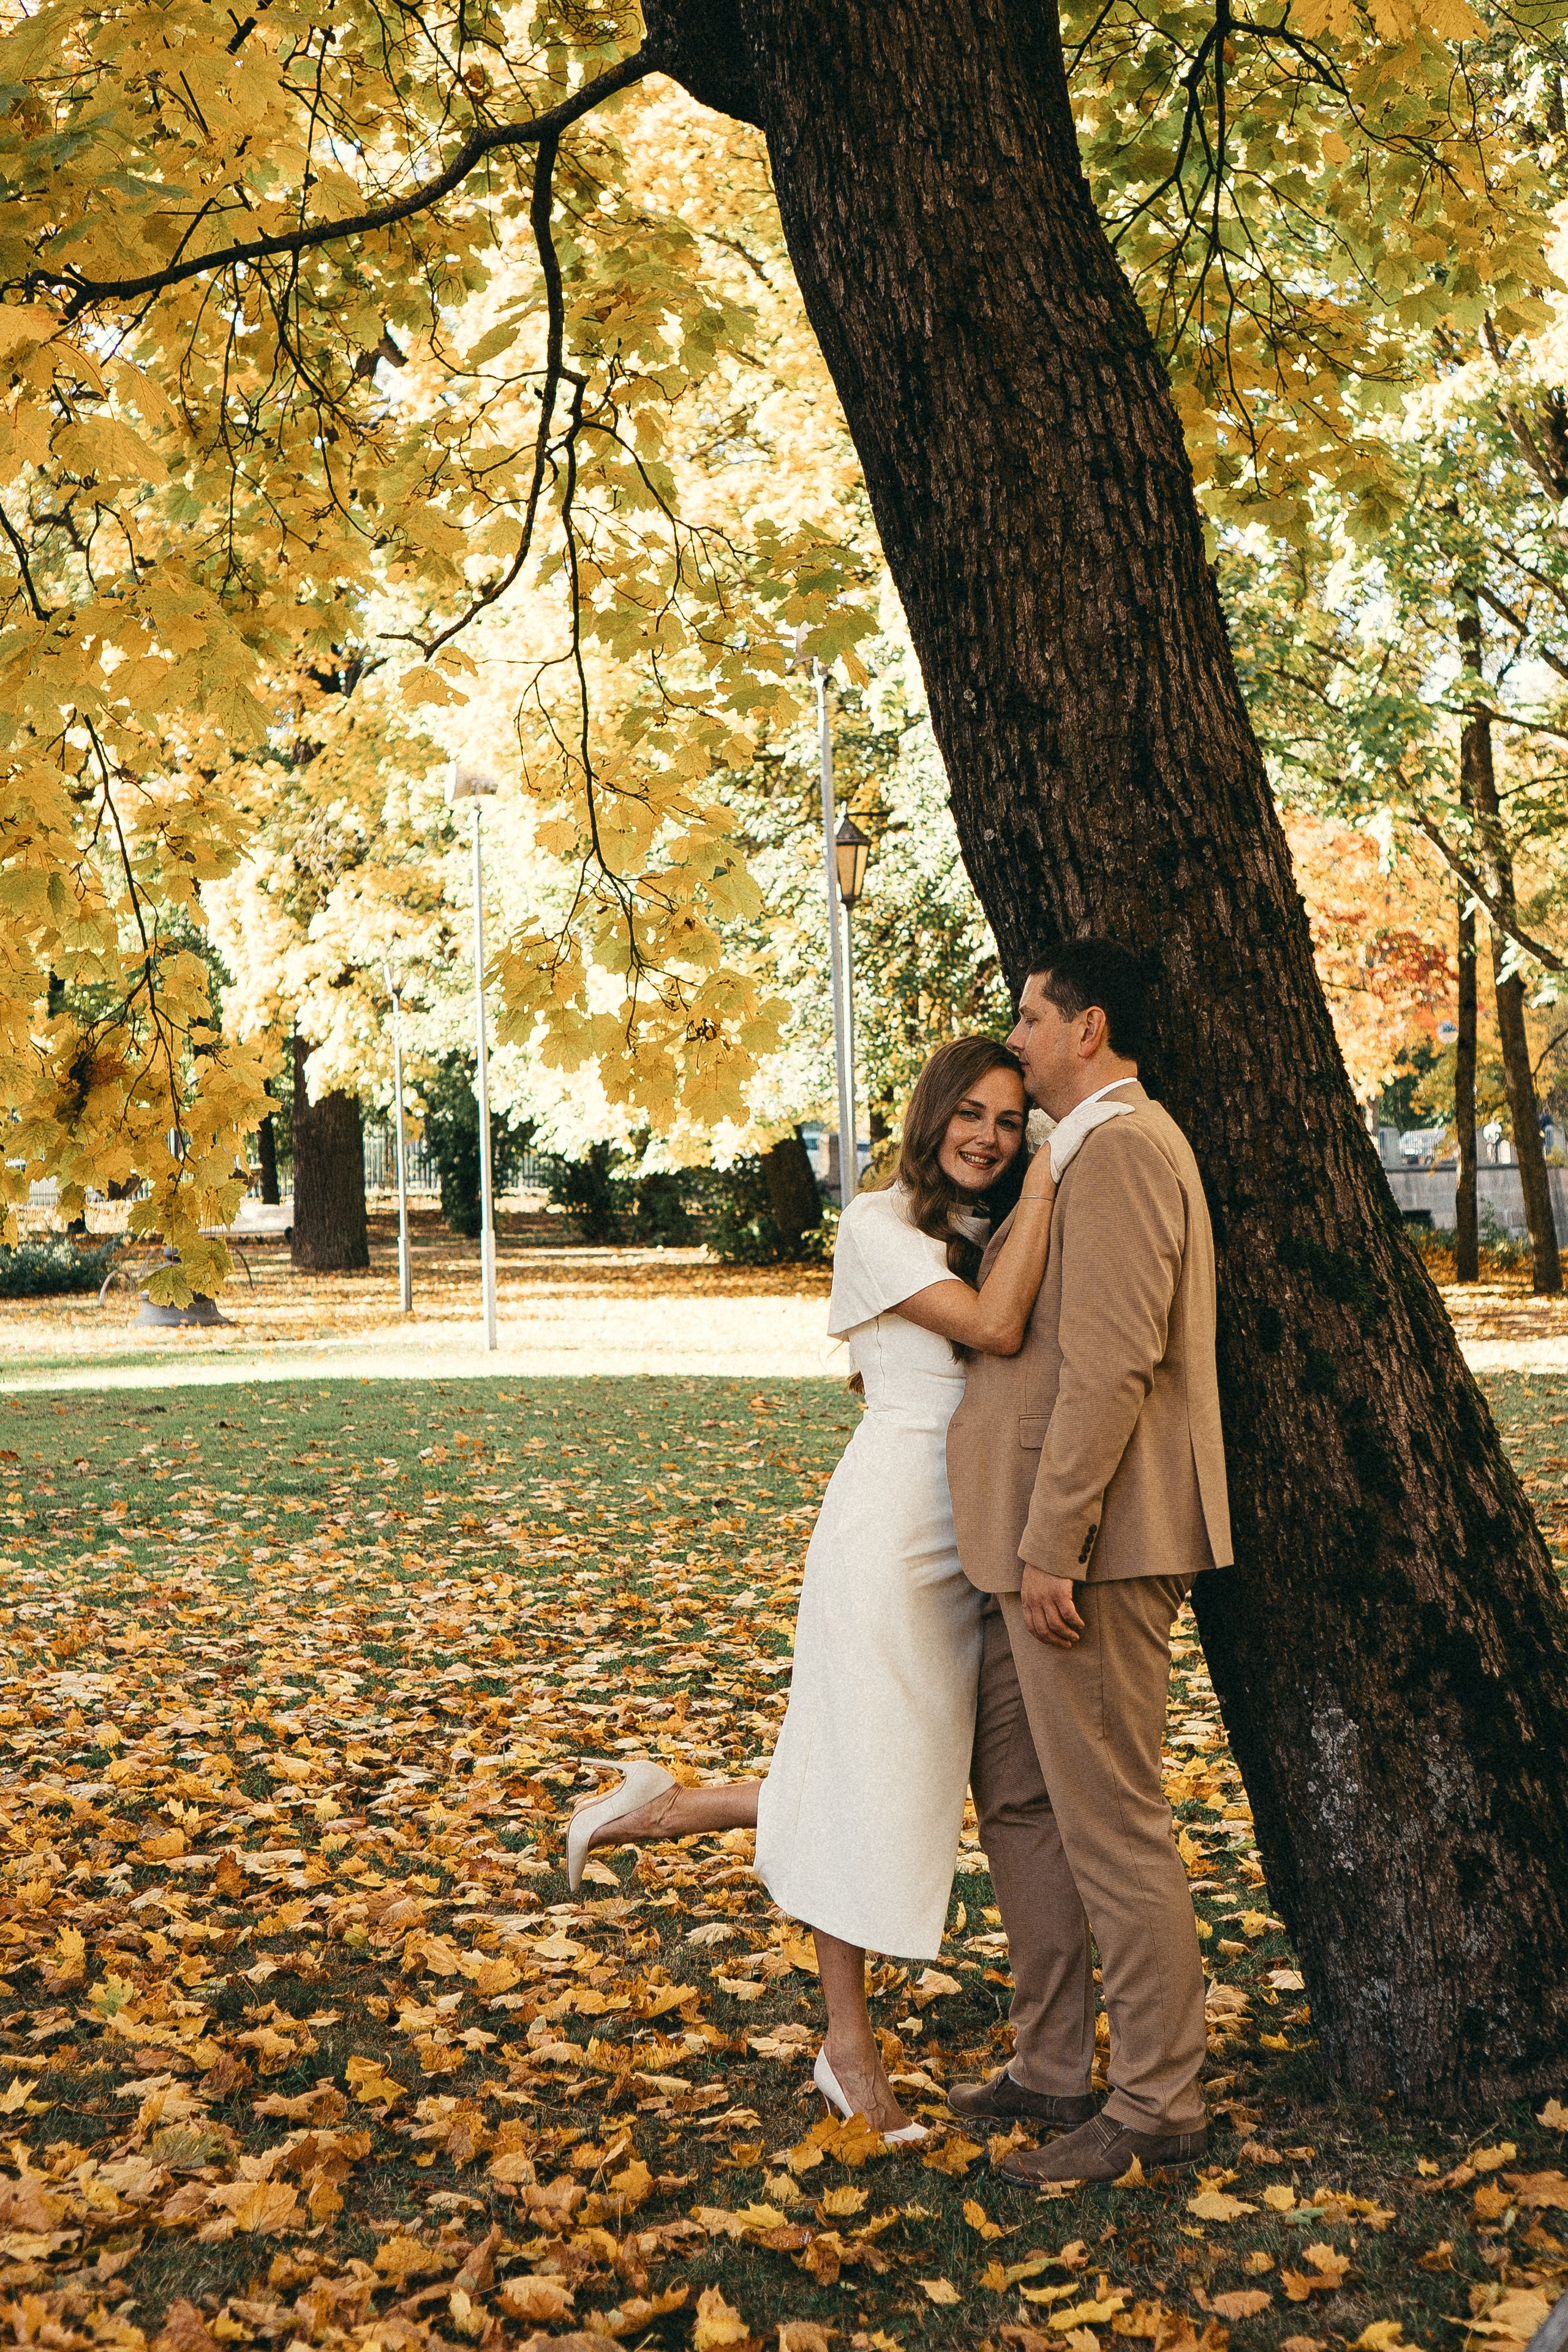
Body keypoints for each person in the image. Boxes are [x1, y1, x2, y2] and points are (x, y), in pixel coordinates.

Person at [564, 1036, 1126, 2139]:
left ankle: (667, 1807)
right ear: (930, 1115)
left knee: (904, 1781)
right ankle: (849, 2052)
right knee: (871, 1780)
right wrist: (1059, 1166)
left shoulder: (994, 1227)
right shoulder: (878, 1224)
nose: (990, 1137)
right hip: (891, 1526)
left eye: (1014, 1123)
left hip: (981, 1527)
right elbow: (1000, 1329)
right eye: (972, 1113)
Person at [944, 938, 1232, 2183]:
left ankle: (1159, 2103)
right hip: (1031, 1549)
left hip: (1089, 1553)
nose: (1014, 1040)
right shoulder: (1084, 1151)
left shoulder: (1122, 1150)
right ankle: (1053, 2066)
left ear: (1089, 1028)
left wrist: (1053, 1540)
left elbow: (1113, 1361)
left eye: (1028, 1019)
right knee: (1022, 1805)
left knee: (1112, 1823)